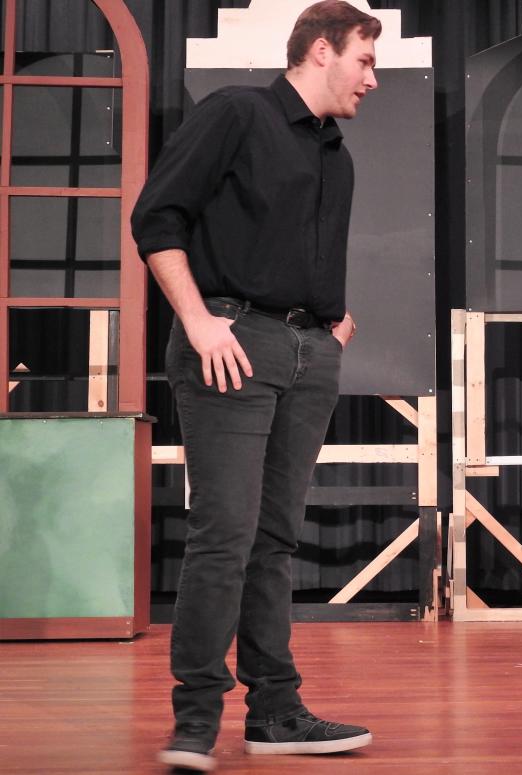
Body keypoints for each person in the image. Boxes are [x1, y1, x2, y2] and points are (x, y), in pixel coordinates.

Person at [131, 2, 380, 770]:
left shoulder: (337, 155)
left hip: (308, 353)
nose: (373, 79)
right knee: (226, 533)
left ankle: (275, 710)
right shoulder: (238, 113)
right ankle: (196, 719)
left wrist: (329, 327)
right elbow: (156, 217)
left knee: (273, 540)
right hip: (231, 345)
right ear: (318, 52)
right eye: (364, 61)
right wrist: (202, 323)